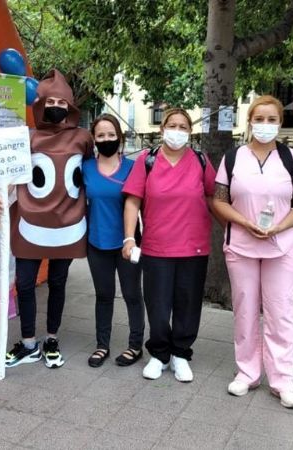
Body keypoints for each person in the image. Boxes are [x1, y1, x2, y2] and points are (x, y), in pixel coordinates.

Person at [211, 95, 293, 408]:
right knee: (244, 309)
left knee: (280, 312)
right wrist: (243, 222)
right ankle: (247, 372)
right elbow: (219, 200)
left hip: (280, 247)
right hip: (241, 245)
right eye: (259, 119)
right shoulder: (233, 158)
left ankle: (283, 380)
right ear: (250, 121)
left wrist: (279, 227)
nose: (265, 125)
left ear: (280, 123)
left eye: (271, 119)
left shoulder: (292, 159)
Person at [0, 69, 93, 369]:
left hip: (68, 223)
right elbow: (15, 172)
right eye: (50, 101)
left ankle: (51, 338)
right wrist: (2, 192)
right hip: (30, 222)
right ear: (40, 103)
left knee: (58, 282)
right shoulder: (28, 136)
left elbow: (93, 174)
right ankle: (28, 344)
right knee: (24, 283)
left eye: (62, 102)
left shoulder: (83, 138)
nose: (56, 107)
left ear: (70, 107)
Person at [121, 108, 216, 382]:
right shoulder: (147, 160)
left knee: (188, 304)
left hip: (194, 246)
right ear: (162, 129)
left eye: (183, 126)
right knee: (158, 305)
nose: (177, 130)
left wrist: (234, 225)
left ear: (190, 131)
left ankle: (181, 354)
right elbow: (132, 200)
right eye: (172, 125)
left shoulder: (199, 160)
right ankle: (160, 354)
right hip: (156, 247)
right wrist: (129, 237)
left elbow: (213, 197)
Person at [82, 114, 144, 367]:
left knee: (132, 294)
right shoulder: (85, 167)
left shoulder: (133, 167)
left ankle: (135, 346)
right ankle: (102, 345)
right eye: (100, 135)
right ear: (94, 140)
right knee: (103, 295)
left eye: (111, 134)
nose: (106, 139)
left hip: (127, 244)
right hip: (97, 242)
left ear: (119, 137)